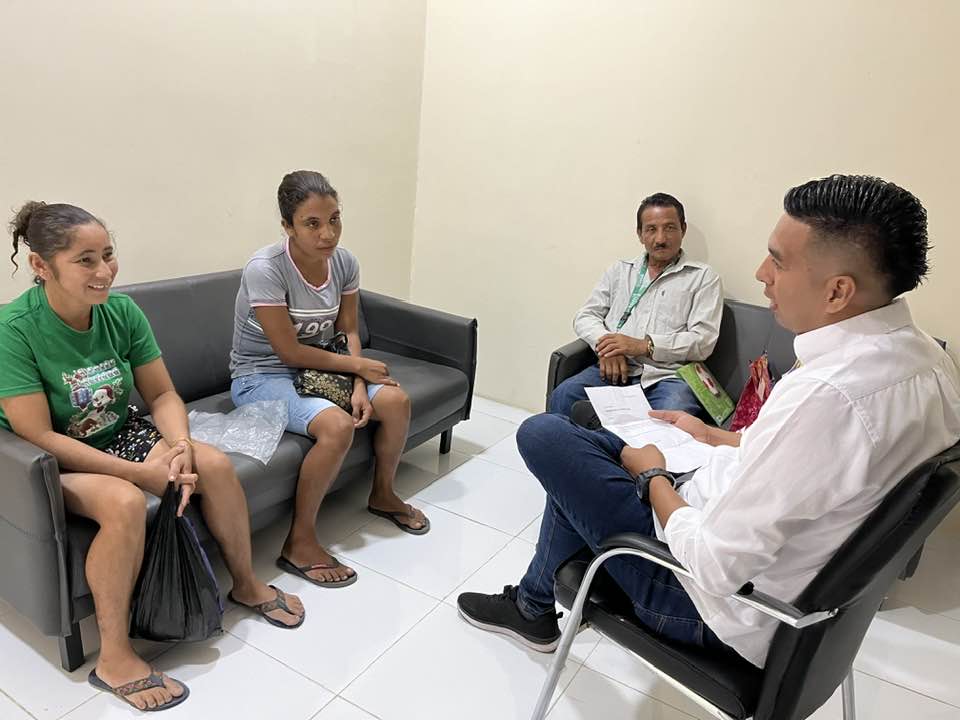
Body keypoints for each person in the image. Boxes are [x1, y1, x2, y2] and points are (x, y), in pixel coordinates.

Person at [458, 174, 960, 668]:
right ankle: (533, 605)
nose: (762, 273)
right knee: (584, 450)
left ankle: (533, 607)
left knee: (546, 436)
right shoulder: (927, 362)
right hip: (731, 530)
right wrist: (712, 435)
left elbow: (714, 565)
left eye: (778, 261)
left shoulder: (829, 396)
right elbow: (811, 468)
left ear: (837, 292)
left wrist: (654, 477)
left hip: (707, 603)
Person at [0, 202, 305, 713]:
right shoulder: (14, 329)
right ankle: (114, 658)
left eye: (108, 255)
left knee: (213, 464)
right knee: (122, 502)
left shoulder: (120, 312)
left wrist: (180, 446)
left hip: (117, 434)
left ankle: (247, 584)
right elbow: (37, 434)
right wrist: (138, 473)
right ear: (40, 266)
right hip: (45, 459)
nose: (104, 271)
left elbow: (162, 394)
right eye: (85, 260)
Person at [230, 170, 429, 589]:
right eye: (313, 223)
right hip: (260, 374)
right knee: (336, 426)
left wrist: (359, 384)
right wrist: (358, 369)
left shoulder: (345, 262)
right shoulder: (265, 269)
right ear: (288, 226)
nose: (328, 234)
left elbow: (347, 330)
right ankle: (299, 542)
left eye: (334, 219)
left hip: (321, 368)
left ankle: (383, 493)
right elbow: (288, 353)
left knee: (395, 402)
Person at [549, 193, 723, 417]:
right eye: (651, 229)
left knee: (671, 416)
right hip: (614, 368)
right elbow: (585, 316)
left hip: (667, 377)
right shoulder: (619, 271)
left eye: (670, 228)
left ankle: (607, 438)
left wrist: (643, 346)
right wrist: (608, 348)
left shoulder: (703, 277)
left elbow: (703, 341)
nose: (660, 239)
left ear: (683, 229)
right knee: (564, 395)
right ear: (640, 234)